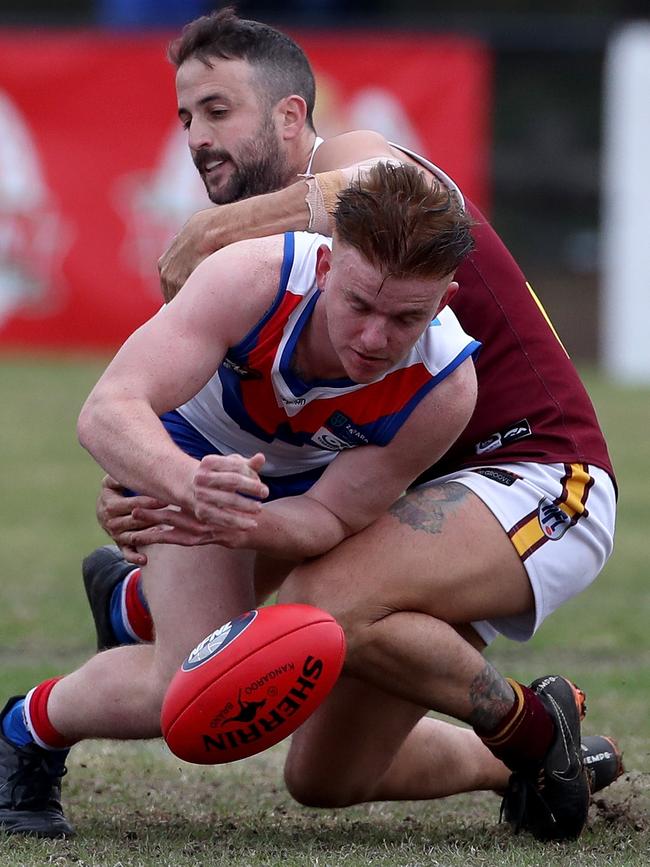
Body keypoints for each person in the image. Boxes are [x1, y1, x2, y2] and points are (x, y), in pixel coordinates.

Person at [1, 9, 621, 841]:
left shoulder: (350, 172)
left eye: (219, 110)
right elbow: (177, 416)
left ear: (291, 116)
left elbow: (422, 195)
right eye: (185, 116)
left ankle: (534, 729)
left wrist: (216, 227)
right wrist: (164, 486)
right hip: (410, 491)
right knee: (323, 777)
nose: (196, 136)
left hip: (539, 473)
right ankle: (535, 763)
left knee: (315, 607)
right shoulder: (286, 258)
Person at [0, 161, 484, 837]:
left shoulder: (446, 387)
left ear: (446, 297)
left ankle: (134, 599)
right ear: (325, 267)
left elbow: (331, 517)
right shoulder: (252, 277)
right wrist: (185, 484)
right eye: (359, 305)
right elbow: (109, 409)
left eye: (407, 316)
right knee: (196, 687)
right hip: (187, 451)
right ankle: (25, 730)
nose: (375, 338)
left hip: (292, 492)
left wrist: (237, 515)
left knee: (239, 661)